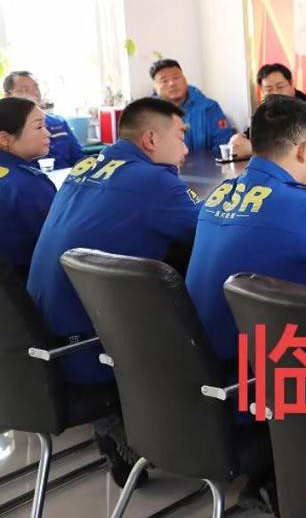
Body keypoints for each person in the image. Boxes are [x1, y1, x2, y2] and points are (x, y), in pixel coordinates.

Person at [28, 94, 201, 390]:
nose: (186, 149)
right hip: (89, 350)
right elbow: (212, 233)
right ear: (151, 139)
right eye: (181, 137)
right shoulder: (152, 181)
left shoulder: (84, 167)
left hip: (42, 342)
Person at [186, 94, 306, 365]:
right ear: (304, 150)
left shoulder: (221, 192)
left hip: (194, 355)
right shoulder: (301, 205)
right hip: (254, 366)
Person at [229, 63, 306, 163]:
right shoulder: (268, 108)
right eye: (269, 89)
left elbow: (298, 149)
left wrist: (253, 149)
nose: (276, 93)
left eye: (280, 87)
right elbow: (253, 134)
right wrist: (238, 140)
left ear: (291, 83)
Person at [0, 96, 57, 274]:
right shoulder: (30, 185)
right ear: (4, 138)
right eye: (39, 127)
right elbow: (58, 242)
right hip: (26, 281)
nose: (47, 133)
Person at [149, 57, 237, 154]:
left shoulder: (209, 108)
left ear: (185, 79)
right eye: (164, 81)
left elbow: (224, 146)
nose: (172, 84)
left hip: (208, 164)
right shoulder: (147, 115)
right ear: (155, 88)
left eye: (176, 77)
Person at [2, 71, 82, 168]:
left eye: (36, 87)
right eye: (25, 90)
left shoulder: (59, 122)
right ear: (8, 96)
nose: (34, 93)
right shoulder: (7, 128)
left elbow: (79, 157)